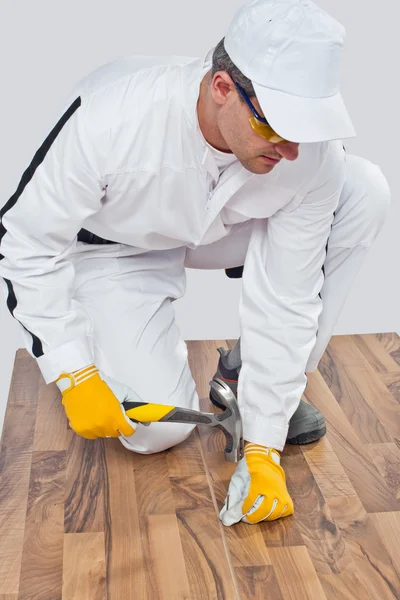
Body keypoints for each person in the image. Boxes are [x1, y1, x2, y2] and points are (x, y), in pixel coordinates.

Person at [0, 0, 391, 527]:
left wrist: (263, 446)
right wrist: (73, 369)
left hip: (219, 229)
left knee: (362, 189)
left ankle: (251, 383)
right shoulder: (111, 115)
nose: (293, 150)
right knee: (155, 431)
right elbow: (22, 239)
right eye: (277, 127)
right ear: (222, 89)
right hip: (115, 242)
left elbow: (289, 291)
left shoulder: (307, 155)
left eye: (306, 128)